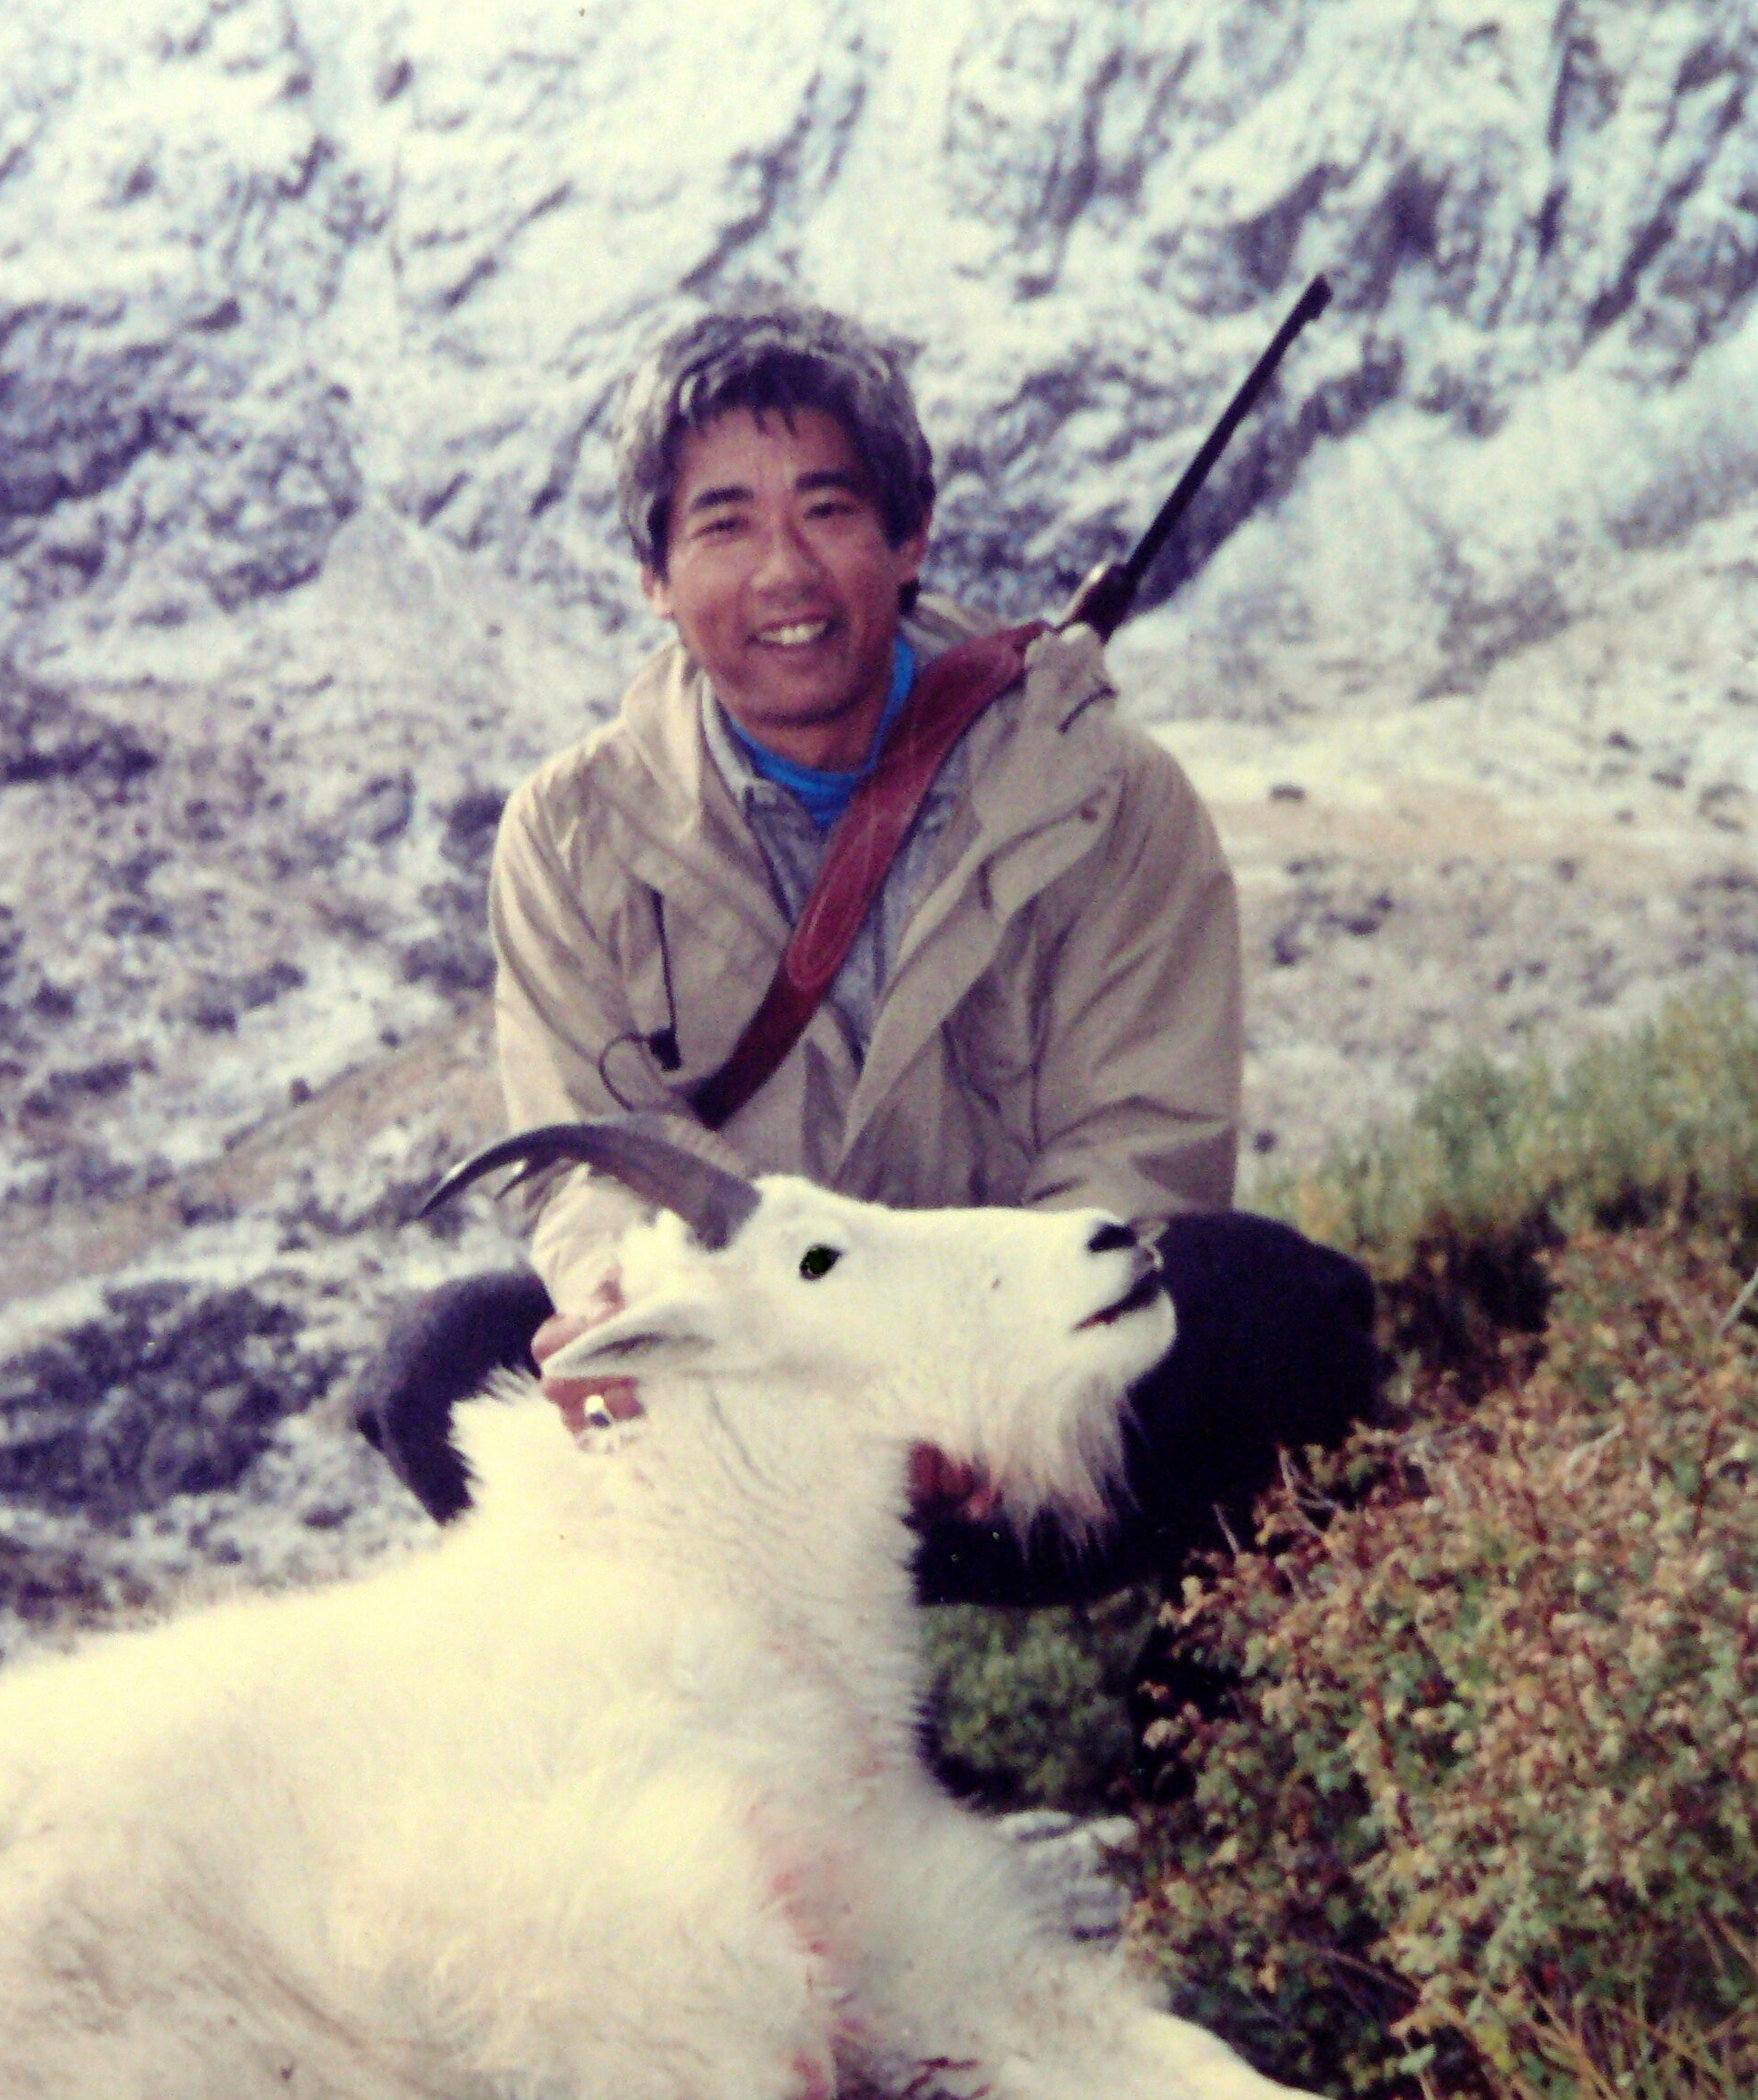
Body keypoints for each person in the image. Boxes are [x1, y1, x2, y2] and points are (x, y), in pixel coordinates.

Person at [354, 298, 1371, 1594]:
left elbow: (1139, 1150)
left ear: (909, 539)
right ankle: (768, 1734)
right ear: (652, 578)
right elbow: (587, 1168)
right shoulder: (569, 834)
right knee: (452, 1369)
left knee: (1270, 1314)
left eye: (828, 511)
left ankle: (1198, 1731)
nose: (782, 571)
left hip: (1014, 1418)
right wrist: (634, 1314)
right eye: (721, 523)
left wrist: (963, 1392)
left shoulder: (1106, 797)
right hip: (755, 1426)